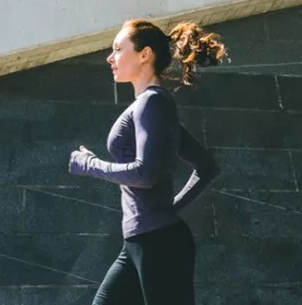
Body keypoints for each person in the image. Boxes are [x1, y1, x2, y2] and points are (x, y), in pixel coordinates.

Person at [68, 19, 229, 305]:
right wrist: (167, 210)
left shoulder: (152, 103)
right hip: (140, 240)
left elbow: (144, 174)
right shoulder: (154, 105)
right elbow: (207, 167)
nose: (110, 57)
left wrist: (89, 164)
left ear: (145, 55)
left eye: (118, 49)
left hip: (158, 243)